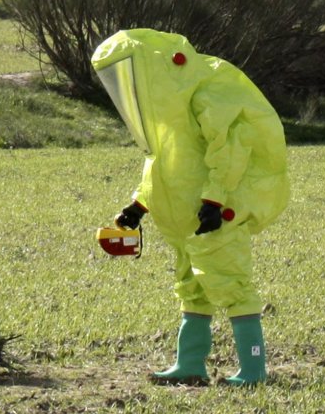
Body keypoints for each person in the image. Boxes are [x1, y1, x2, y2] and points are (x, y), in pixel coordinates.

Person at [91, 28, 289, 386]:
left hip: (214, 216)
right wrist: (138, 206)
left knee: (232, 285)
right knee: (192, 288)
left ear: (148, 71)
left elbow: (228, 152)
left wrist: (215, 200)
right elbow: (162, 169)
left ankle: (254, 370)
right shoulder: (164, 126)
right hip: (183, 221)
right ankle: (191, 364)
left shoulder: (202, 97)